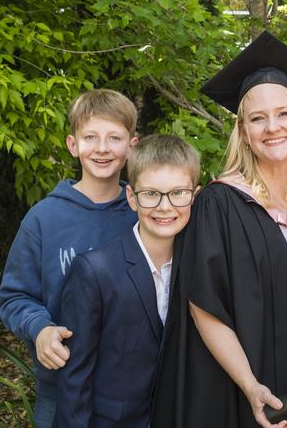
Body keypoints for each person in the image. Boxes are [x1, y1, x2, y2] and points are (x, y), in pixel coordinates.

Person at [150, 31, 287, 428]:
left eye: (284, 113)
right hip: (233, 387)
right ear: (243, 131)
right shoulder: (219, 204)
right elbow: (202, 305)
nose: (272, 127)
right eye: (257, 118)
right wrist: (251, 385)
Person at [0, 89, 139, 427]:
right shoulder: (44, 219)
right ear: (73, 145)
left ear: (132, 144)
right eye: (90, 137)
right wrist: (41, 329)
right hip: (60, 390)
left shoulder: (144, 213)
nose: (102, 148)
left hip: (133, 392)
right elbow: (15, 296)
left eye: (114, 138)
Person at [54, 134, 200, 427]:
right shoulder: (95, 270)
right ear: (132, 197)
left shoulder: (199, 267)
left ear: (194, 196)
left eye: (178, 193)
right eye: (150, 194)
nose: (164, 206)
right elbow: (75, 378)